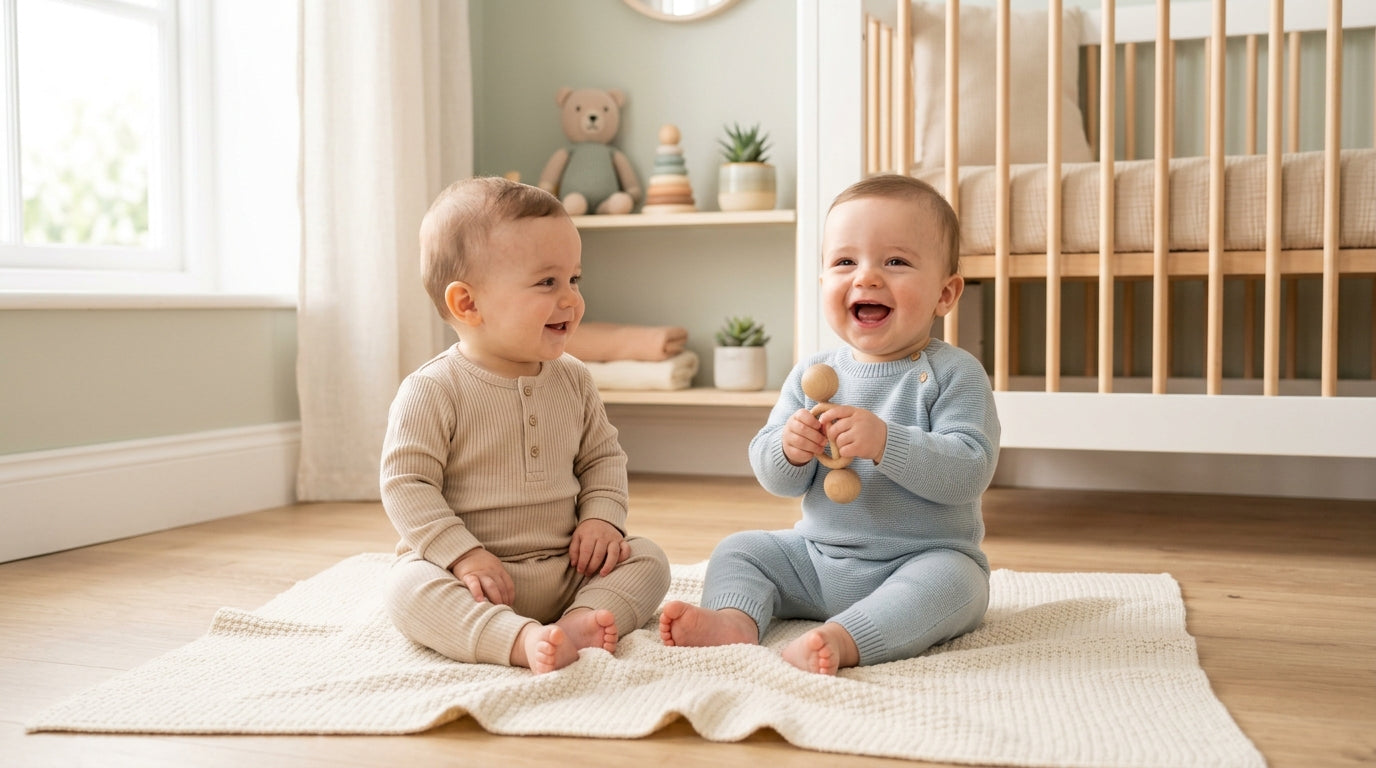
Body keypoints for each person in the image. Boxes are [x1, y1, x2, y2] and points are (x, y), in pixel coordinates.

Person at [659, 174, 999, 675]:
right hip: (816, 559)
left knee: (960, 585)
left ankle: (844, 639)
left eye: (896, 262)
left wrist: (887, 442)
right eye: (845, 262)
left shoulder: (954, 374)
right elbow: (774, 476)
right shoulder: (815, 374)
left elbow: (970, 470)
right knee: (742, 549)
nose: (866, 277)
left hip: (919, 560)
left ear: (945, 294)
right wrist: (790, 449)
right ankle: (734, 621)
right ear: (823, 283)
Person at [381, 176, 671, 674]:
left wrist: (601, 519)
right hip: (472, 578)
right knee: (406, 591)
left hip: (566, 569)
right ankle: (514, 640)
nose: (571, 299)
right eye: (547, 282)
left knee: (650, 560)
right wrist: (463, 556)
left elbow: (603, 457)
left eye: (574, 279)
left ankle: (582, 619)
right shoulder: (433, 389)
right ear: (467, 304)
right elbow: (407, 485)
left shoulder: (574, 379)